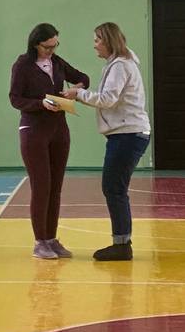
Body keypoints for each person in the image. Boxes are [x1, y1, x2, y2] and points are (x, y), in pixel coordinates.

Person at [64, 22, 150, 261]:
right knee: (114, 187)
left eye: (97, 40)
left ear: (108, 41)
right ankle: (121, 242)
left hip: (128, 134)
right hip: (126, 134)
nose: (94, 45)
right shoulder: (118, 64)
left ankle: (122, 245)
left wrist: (78, 94)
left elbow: (108, 99)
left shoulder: (120, 66)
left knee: (114, 188)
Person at [9, 23, 89, 260]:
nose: (51, 51)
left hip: (59, 130)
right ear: (36, 44)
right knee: (41, 186)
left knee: (55, 187)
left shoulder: (57, 62)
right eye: (47, 47)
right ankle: (40, 242)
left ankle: (52, 239)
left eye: (55, 46)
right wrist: (40, 104)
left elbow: (83, 78)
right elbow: (15, 99)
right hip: (34, 130)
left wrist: (75, 90)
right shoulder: (22, 65)